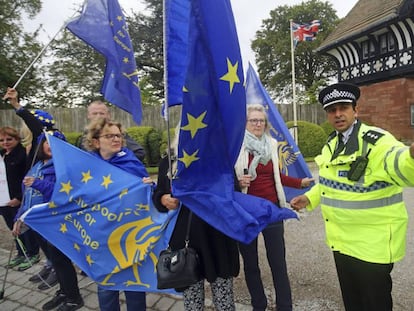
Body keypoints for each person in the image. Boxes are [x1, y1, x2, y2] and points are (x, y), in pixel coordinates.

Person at [290, 82, 414, 311]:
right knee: (353, 304)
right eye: (332, 110)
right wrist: (309, 198)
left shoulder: (377, 142)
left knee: (374, 305)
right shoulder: (332, 144)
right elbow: (330, 182)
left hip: (372, 248)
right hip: (342, 244)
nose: (338, 114)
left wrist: (411, 157)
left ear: (355, 110)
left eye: (343, 107)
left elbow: (400, 165)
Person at [234, 104, 313, 311]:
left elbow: (276, 175)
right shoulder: (236, 146)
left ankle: (285, 306)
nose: (258, 124)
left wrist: (299, 183)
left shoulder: (271, 144)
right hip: (246, 213)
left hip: (272, 211)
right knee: (251, 265)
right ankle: (258, 304)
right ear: (246, 123)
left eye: (261, 120)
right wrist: (237, 182)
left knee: (278, 263)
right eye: (253, 120)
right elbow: (225, 177)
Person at [152, 129, 240, 311]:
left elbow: (235, 195)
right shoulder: (169, 162)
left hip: (218, 238)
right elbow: (158, 195)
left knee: (224, 300)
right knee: (192, 301)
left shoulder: (221, 161)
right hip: (185, 240)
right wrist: (163, 199)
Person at [83, 118, 151, 311]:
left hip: (127, 235)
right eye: (109, 135)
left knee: (133, 285)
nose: (116, 139)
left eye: (118, 135)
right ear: (96, 141)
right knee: (106, 287)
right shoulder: (86, 167)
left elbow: (146, 196)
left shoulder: (130, 161)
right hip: (100, 236)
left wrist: (148, 187)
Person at [13, 131, 84, 311]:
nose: (51, 146)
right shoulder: (36, 166)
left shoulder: (63, 167)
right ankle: (63, 291)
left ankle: (74, 297)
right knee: (53, 260)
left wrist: (38, 183)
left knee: (61, 260)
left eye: (56, 143)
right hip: (38, 224)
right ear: (40, 145)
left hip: (55, 223)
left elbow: (64, 194)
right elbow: (26, 195)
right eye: (47, 142)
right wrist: (18, 218)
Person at [3, 87, 58, 286]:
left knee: (51, 239)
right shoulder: (33, 148)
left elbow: (37, 127)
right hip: (31, 196)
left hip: (47, 197)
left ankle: (57, 268)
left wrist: (17, 105)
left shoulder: (50, 140)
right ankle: (49, 263)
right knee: (40, 236)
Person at [76, 100, 145, 162]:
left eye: (102, 113)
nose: (98, 116)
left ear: (108, 115)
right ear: (88, 115)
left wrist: (118, 164)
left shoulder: (116, 133)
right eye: (95, 113)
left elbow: (139, 152)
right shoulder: (83, 137)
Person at [0, 127, 29, 267]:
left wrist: (19, 197)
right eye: (2, 140)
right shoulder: (2, 155)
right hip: (3, 200)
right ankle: (20, 253)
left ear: (17, 139)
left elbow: (26, 178)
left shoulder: (22, 155)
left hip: (17, 199)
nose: (5, 142)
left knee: (23, 228)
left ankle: (31, 253)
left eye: (9, 139)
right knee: (12, 227)